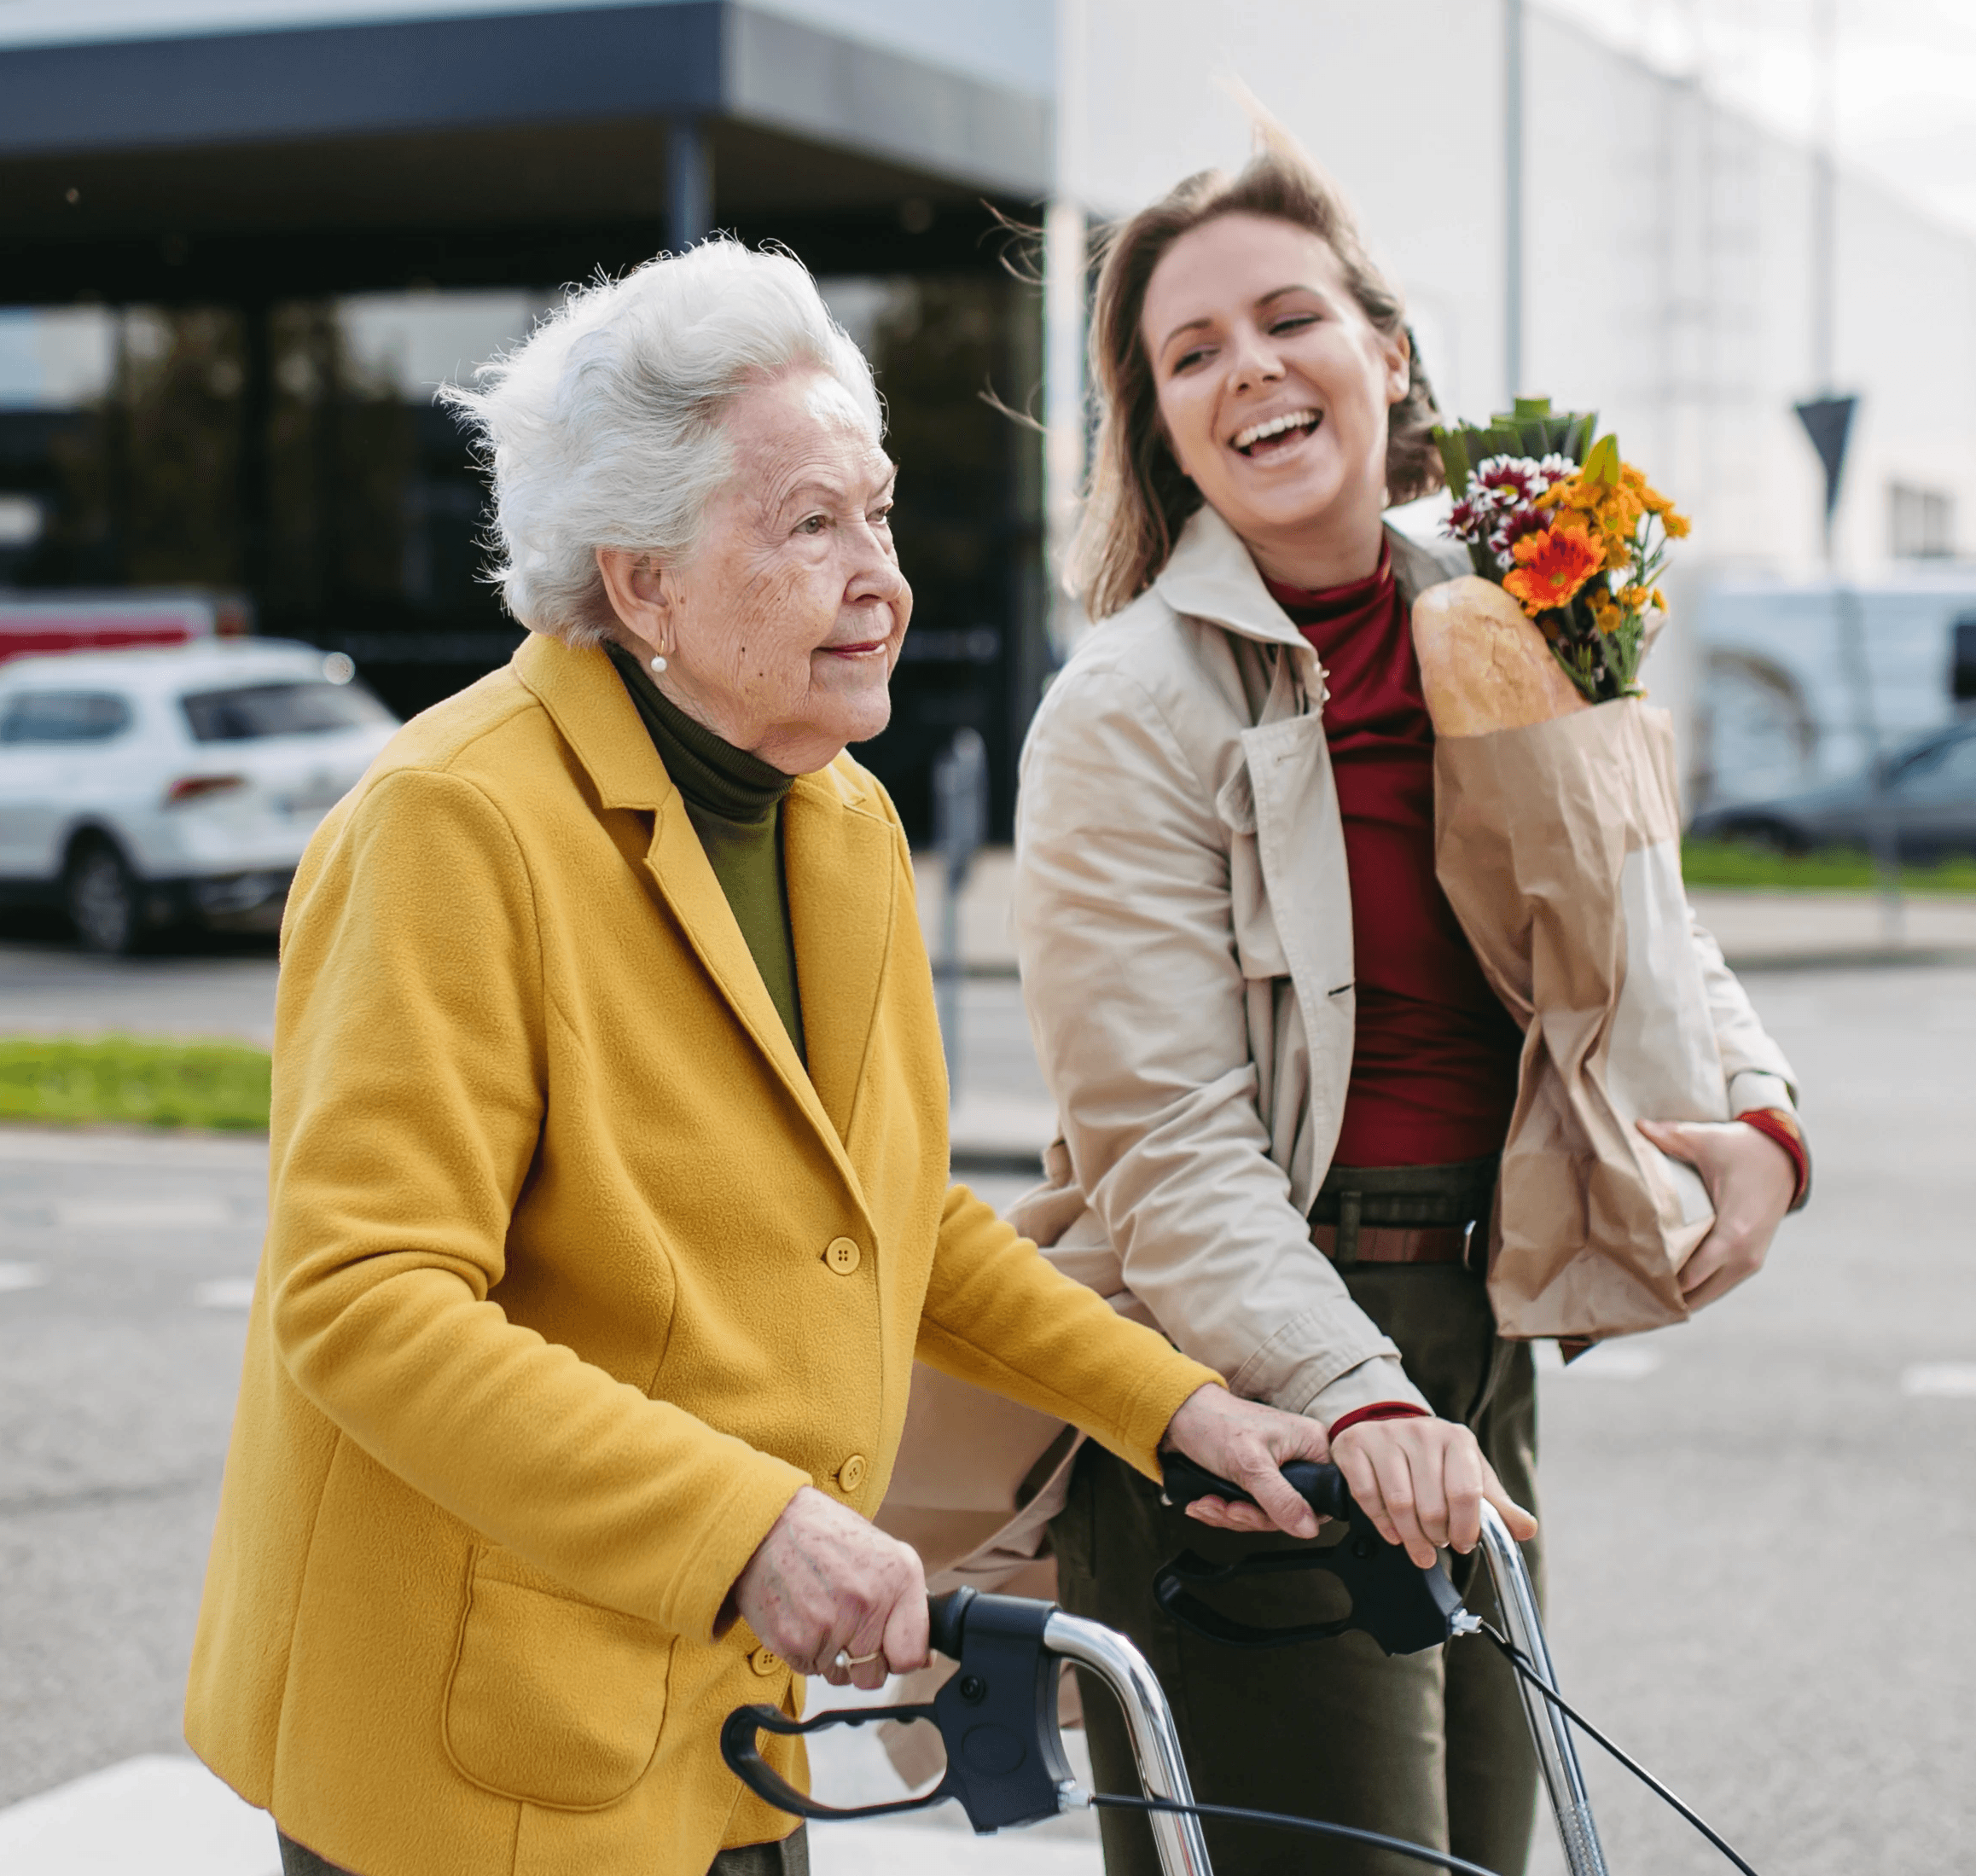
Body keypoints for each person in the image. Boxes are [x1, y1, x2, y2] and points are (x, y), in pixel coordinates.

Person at [183, 240, 1338, 1876]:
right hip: (487, 1747)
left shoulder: (836, 815)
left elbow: (892, 1220)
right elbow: (362, 1303)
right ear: (639, 580)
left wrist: (1179, 1409)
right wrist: (748, 1525)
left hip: (723, 1721)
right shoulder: (453, 825)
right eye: (810, 525)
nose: (882, 576)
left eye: (876, 512)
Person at [1011, 135, 1810, 1876]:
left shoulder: (1516, 613)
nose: (1248, 369)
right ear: (1158, 425)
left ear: (1384, 350)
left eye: (1287, 316)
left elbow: (1639, 905)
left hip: (1482, 1326)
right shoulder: (1124, 713)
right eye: (1189, 353)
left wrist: (1759, 1111)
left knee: (1479, 1854)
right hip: (1254, 1373)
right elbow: (1163, 1148)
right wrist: (1353, 1389)